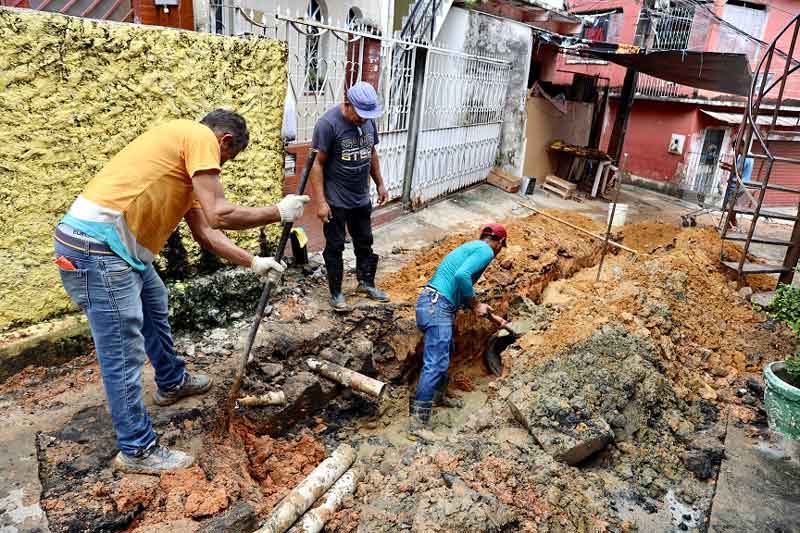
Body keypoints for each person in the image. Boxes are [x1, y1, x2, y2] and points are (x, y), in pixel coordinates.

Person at [53, 110, 309, 474]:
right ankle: (137, 450)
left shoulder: (181, 161)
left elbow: (207, 232)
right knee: (123, 353)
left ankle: (171, 382)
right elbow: (220, 213)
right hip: (96, 249)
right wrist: (277, 211)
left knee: (155, 304)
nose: (217, 170)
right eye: (225, 161)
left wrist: (253, 261)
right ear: (224, 142)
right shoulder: (199, 137)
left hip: (118, 253)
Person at [408, 223, 508, 437]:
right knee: (435, 363)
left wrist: (489, 314)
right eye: (501, 246)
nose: (499, 251)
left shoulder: (473, 247)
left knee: (447, 350)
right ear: (499, 242)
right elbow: (462, 276)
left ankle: (438, 396)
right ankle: (417, 424)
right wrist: (475, 305)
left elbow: (460, 290)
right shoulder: (486, 250)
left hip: (434, 304)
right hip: (436, 306)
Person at [310, 81, 390, 312]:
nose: (364, 119)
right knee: (335, 246)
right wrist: (321, 202)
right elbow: (317, 164)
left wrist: (380, 184)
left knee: (364, 242)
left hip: (360, 197)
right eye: (360, 114)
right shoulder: (328, 124)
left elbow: (371, 153)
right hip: (336, 200)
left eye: (368, 115)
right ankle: (336, 293)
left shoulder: (367, 121)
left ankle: (366, 283)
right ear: (347, 103)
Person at [721, 152, 754, 229]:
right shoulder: (749, 155)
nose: (736, 150)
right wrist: (728, 166)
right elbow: (737, 169)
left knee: (731, 206)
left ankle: (729, 224)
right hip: (742, 183)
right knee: (734, 206)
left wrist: (726, 168)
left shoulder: (745, 157)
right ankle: (731, 223)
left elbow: (738, 172)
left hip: (737, 184)